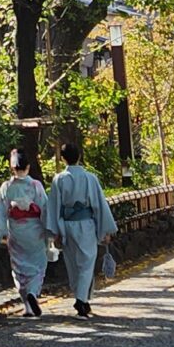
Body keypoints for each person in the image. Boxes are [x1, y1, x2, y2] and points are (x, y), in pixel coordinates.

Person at [50, 134, 118, 317]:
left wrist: (55, 231)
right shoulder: (90, 178)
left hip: (66, 225)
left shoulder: (59, 179)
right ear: (79, 156)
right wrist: (105, 230)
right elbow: (99, 205)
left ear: (63, 158)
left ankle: (83, 299)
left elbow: (54, 206)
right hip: (86, 225)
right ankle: (81, 299)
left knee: (72, 264)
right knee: (86, 264)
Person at [0, 149, 52, 315]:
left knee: (19, 268)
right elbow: (45, 210)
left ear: (12, 168)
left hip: (16, 232)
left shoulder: (7, 187)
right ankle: (32, 293)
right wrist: (51, 231)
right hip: (35, 232)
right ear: (28, 167)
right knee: (38, 266)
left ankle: (27, 305)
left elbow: (0, 211)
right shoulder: (36, 186)